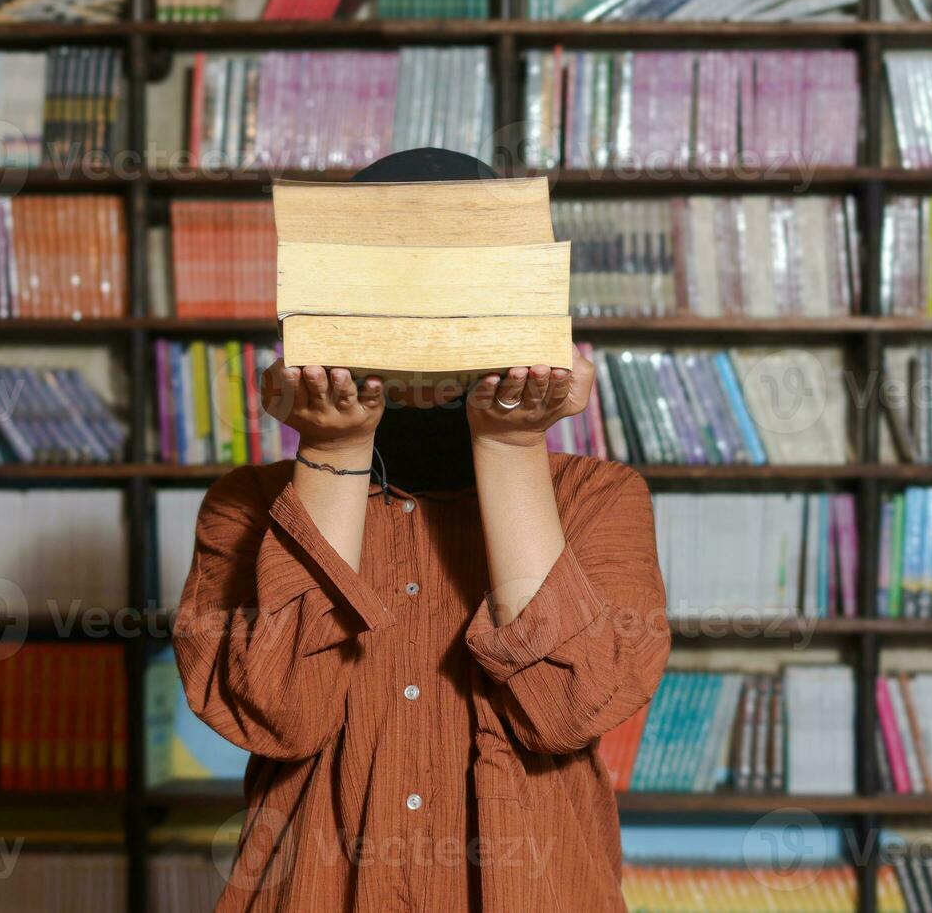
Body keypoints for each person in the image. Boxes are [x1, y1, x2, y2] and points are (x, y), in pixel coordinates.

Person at [173, 148, 670, 912]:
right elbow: (280, 714)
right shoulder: (246, 507)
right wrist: (334, 453)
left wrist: (510, 444)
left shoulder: (599, 498)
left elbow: (567, 711)